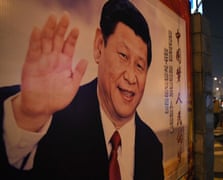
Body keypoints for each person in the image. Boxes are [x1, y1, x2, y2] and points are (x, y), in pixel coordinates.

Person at [0, 0, 164, 179]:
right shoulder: (52, 117)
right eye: (123, 56)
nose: (131, 77)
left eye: (139, 66)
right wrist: (27, 117)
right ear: (99, 46)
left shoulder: (152, 146)